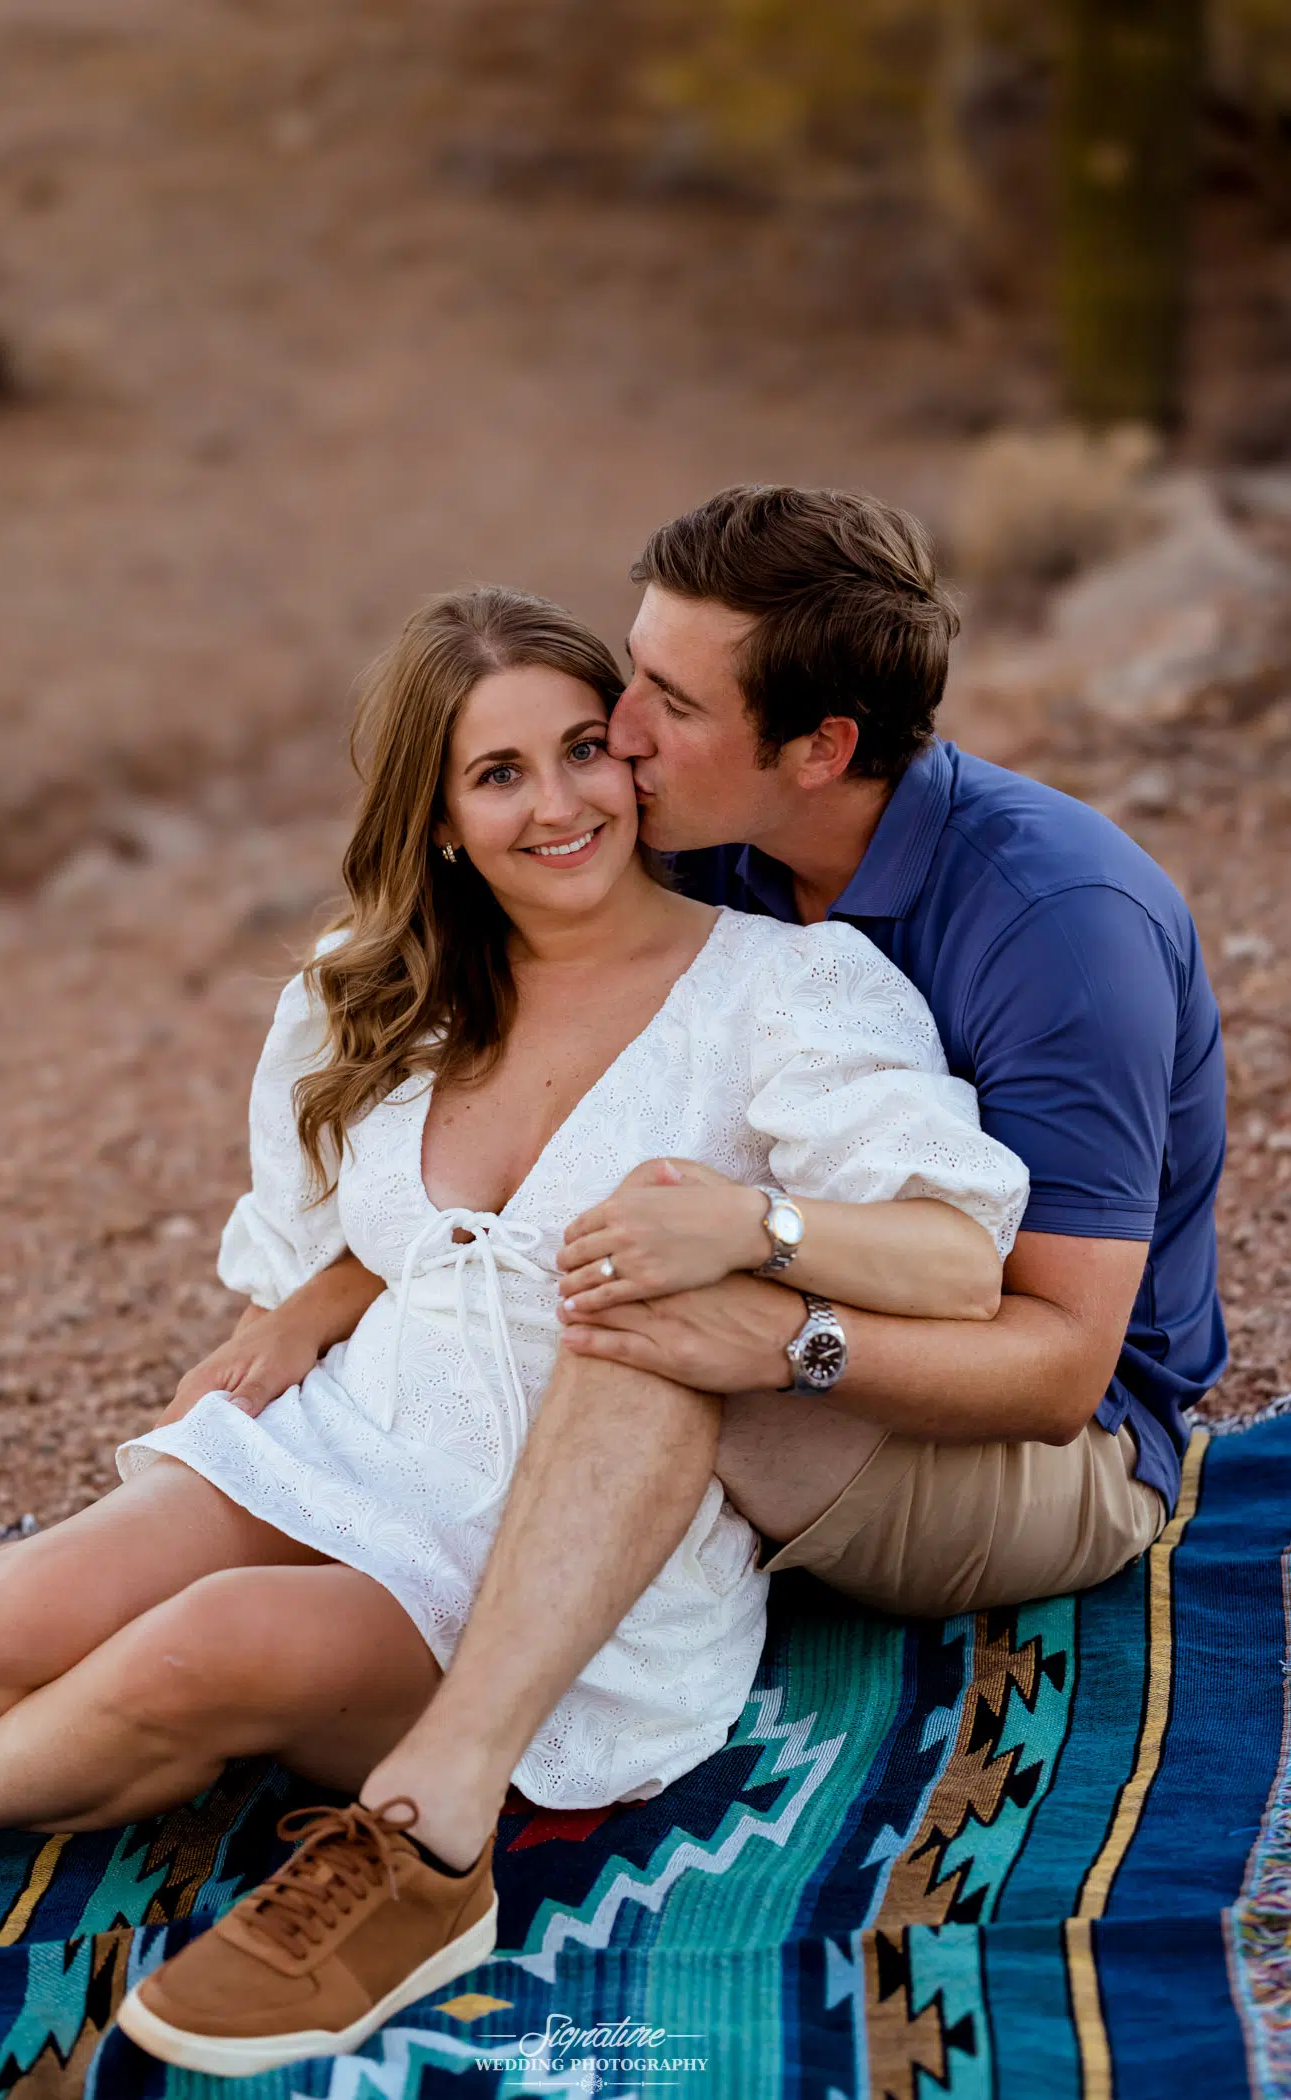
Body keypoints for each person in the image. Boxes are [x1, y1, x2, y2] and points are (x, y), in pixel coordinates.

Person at [111, 484, 1225, 2072]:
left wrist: (767, 1323)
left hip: (1056, 1444)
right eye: (633, 672)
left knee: (637, 1321)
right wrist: (305, 1306)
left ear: (822, 748)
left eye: (667, 705)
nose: (617, 734)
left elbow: (1055, 1366)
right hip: (812, 1348)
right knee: (574, 1309)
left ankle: (432, 1833)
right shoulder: (732, 852)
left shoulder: (1060, 926)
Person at [0, 584, 1028, 2075]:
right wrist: (304, 1307)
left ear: (633, 757)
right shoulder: (373, 994)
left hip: (559, 1549)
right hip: (353, 1444)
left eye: (582, 750)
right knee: (1, 1622)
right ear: (436, 817)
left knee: (201, 1651)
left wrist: (762, 1227)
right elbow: (370, 1239)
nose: (559, 805)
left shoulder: (782, 988)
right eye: (499, 775)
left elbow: (957, 1256)